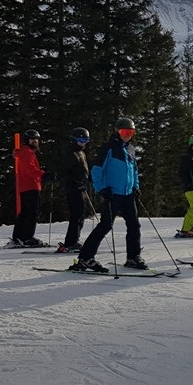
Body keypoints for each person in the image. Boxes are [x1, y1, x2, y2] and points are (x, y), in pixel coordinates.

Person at [71, 117, 145, 273]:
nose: (127, 135)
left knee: (134, 225)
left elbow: (134, 171)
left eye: (130, 132)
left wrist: (135, 187)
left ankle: (133, 257)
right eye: (124, 132)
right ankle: (85, 258)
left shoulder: (131, 149)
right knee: (105, 225)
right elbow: (97, 170)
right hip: (112, 194)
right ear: (117, 132)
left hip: (128, 194)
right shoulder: (108, 148)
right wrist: (102, 189)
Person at [9, 128, 50, 247]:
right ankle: (27, 237)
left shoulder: (24, 152)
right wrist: (43, 175)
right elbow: (30, 169)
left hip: (25, 186)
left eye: (37, 139)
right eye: (32, 139)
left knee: (25, 212)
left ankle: (18, 237)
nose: (35, 141)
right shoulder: (27, 152)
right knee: (32, 212)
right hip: (31, 185)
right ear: (27, 140)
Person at [57, 127, 91, 253]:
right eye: (81, 140)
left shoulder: (81, 153)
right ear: (74, 140)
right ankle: (71, 242)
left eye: (86, 140)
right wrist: (76, 182)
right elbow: (64, 173)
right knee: (76, 215)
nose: (83, 143)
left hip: (80, 188)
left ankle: (73, 240)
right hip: (73, 189)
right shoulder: (71, 153)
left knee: (80, 215)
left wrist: (88, 179)